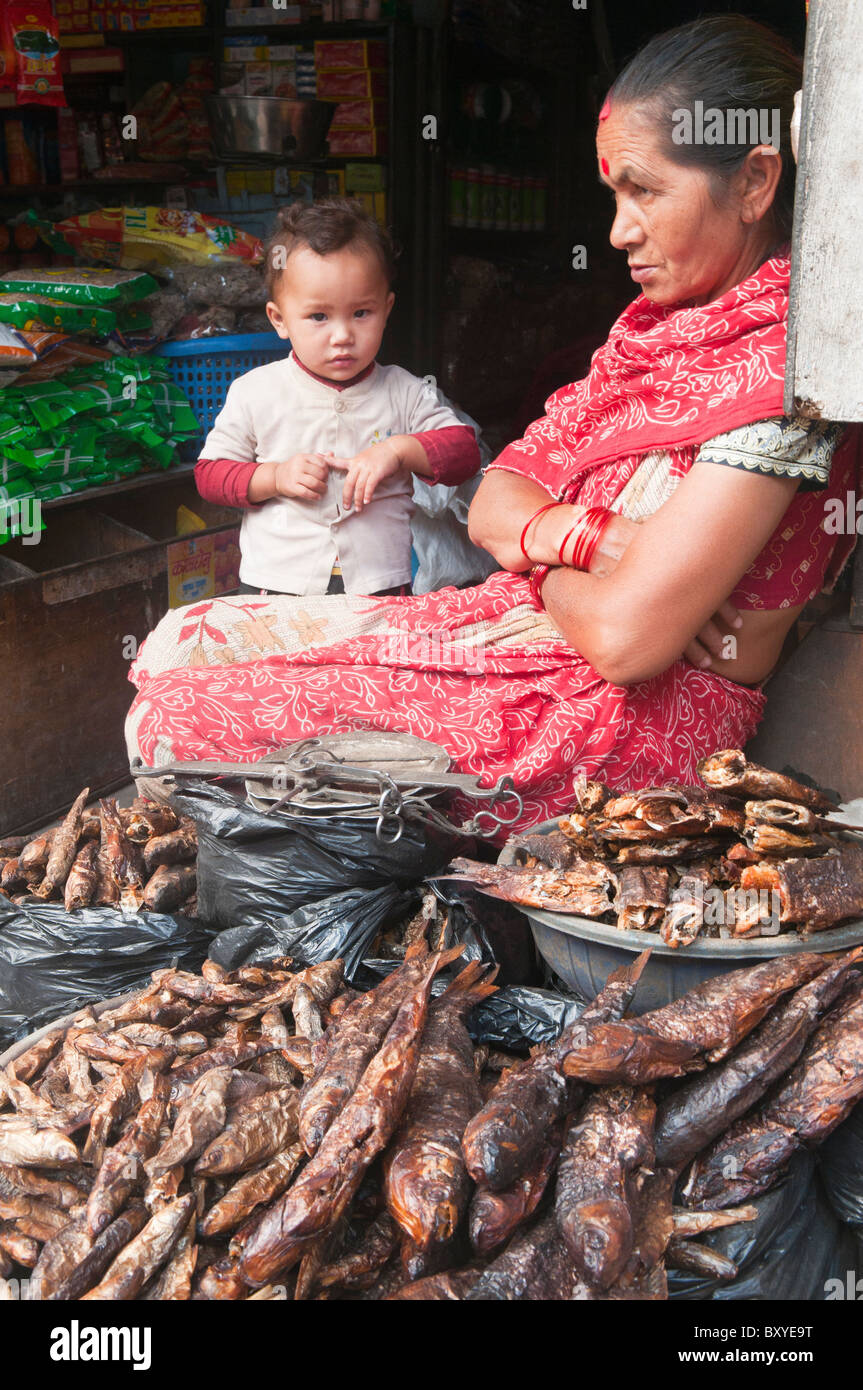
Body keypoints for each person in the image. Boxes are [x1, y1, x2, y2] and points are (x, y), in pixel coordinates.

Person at [127, 15, 860, 838]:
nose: (618, 230)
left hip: (614, 725)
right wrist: (586, 540)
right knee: (186, 635)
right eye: (614, 194)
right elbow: (492, 498)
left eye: (644, 191)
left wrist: (539, 551)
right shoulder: (649, 335)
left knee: (176, 720)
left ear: (756, 181)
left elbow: (622, 642)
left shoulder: (783, 367)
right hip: (529, 639)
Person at [194, 198, 480, 598]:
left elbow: (464, 453)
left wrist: (398, 450)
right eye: (319, 317)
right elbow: (210, 475)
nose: (343, 335)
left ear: (387, 308)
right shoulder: (256, 391)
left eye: (361, 313)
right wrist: (274, 477)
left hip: (379, 588)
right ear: (279, 319)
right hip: (275, 588)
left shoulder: (406, 392)